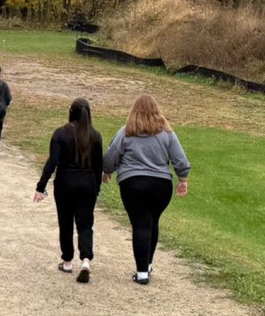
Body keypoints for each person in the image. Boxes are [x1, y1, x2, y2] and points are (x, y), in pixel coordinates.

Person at [102, 94, 190, 285]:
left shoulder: (126, 132)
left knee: (141, 224)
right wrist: (183, 178)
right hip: (161, 185)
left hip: (133, 183)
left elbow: (111, 156)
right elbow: (179, 158)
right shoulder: (167, 133)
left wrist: (107, 171)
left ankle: (142, 272)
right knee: (152, 221)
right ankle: (147, 264)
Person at [33, 98, 103, 283]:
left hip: (65, 183)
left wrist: (41, 186)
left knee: (66, 222)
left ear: (71, 112)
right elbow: (98, 166)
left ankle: (67, 260)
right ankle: (86, 260)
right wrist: (96, 188)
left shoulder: (60, 134)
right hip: (88, 183)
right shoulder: (95, 136)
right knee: (85, 223)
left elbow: (52, 162)